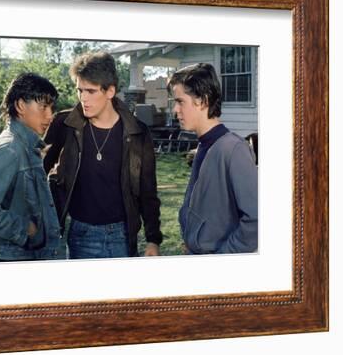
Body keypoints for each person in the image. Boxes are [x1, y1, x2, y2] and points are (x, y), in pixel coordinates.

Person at [44, 51, 162, 259]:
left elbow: (148, 190)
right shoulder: (65, 125)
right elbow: (38, 172)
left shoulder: (137, 132)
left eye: (90, 91)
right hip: (80, 234)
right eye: (80, 90)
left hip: (122, 236)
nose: (83, 98)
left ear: (110, 91)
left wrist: (153, 239)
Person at [0, 72, 61, 262]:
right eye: (43, 106)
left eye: (51, 107)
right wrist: (25, 229)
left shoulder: (25, 145)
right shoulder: (11, 149)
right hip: (14, 260)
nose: (50, 115)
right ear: (21, 105)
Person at [167, 63, 258, 254]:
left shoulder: (233, 149)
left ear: (202, 100)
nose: (175, 110)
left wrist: (220, 260)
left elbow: (256, 219)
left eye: (180, 101)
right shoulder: (204, 144)